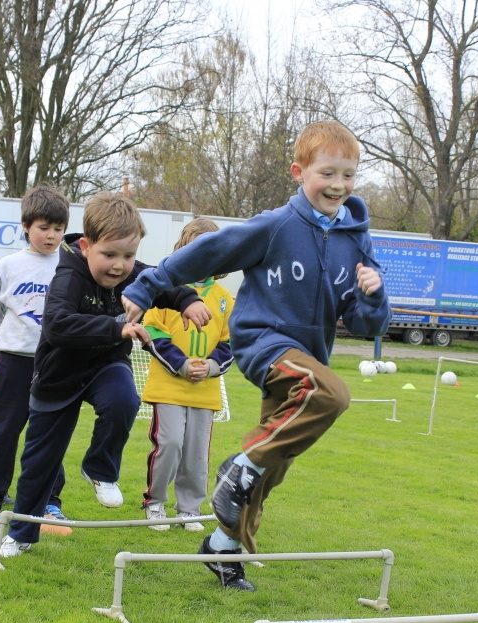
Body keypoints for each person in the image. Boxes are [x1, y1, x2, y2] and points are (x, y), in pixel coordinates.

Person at [122, 120, 392, 590]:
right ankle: (238, 468)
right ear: (299, 171)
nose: (339, 185)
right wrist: (148, 285)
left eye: (349, 175)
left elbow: (367, 325)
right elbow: (208, 252)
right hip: (262, 342)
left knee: (273, 466)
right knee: (331, 395)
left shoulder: (356, 239)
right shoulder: (276, 226)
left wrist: (373, 297)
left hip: (308, 356)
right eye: (327, 173)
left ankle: (222, 549)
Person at [0, 192, 211, 557]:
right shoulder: (68, 276)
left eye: (128, 256)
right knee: (40, 462)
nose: (119, 266)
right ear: (86, 246)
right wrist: (117, 330)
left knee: (124, 400)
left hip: (105, 365)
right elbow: (57, 326)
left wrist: (188, 299)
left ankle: (100, 468)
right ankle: (21, 533)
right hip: (58, 374)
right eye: (109, 255)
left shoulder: (133, 272)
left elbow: (162, 281)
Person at [0, 185, 70, 533]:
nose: (51, 235)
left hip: (56, 364)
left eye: (58, 229)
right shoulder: (8, 265)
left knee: (50, 434)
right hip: (13, 363)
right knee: (3, 433)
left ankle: (50, 501)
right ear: (26, 226)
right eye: (44, 227)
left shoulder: (71, 266)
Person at [139, 218, 234, 533]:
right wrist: (181, 364)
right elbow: (152, 333)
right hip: (167, 387)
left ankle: (189, 510)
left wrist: (209, 367)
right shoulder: (164, 289)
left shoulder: (224, 298)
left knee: (195, 452)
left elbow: (230, 343)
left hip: (204, 392)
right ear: (182, 249)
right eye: (195, 248)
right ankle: (154, 504)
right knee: (170, 444)